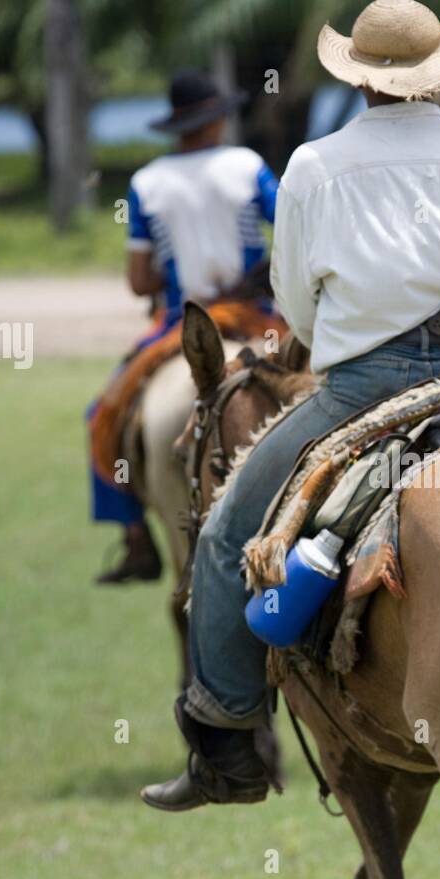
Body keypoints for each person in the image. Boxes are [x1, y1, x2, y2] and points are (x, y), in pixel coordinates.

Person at [141, 0, 440, 811]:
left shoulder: (313, 165)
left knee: (228, 534)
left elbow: (294, 306)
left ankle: (226, 739)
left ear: (360, 80)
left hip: (363, 389)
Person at [89, 69, 280, 583]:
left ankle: (135, 540)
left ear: (177, 127)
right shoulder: (246, 165)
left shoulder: (146, 183)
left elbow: (137, 280)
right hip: (254, 315)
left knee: (102, 414)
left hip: (180, 322)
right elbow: (294, 227)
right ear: (217, 120)